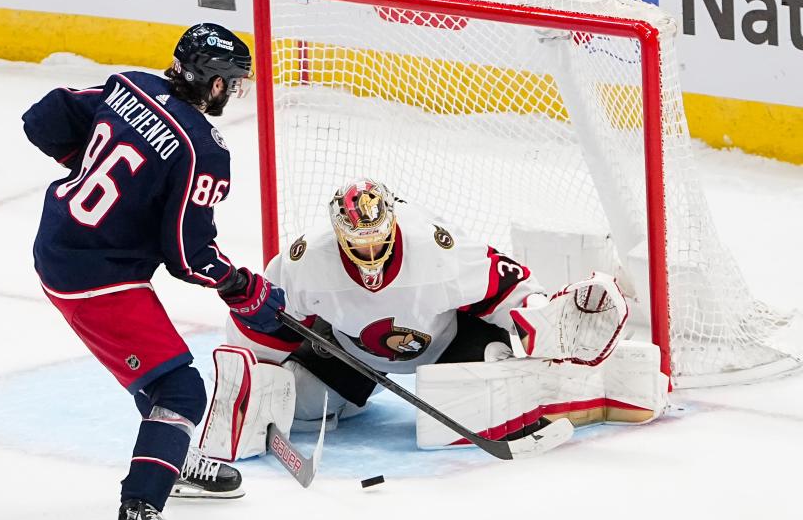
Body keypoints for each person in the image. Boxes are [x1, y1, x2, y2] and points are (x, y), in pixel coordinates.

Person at [22, 23, 285, 520]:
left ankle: (173, 462)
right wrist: (243, 289)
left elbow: (42, 117)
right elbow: (189, 256)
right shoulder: (205, 149)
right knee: (180, 388)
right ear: (212, 82)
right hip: (96, 276)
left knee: (157, 371)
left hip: (60, 244)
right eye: (232, 83)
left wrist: (89, 170)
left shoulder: (129, 86)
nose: (232, 94)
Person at [199, 178, 659, 462]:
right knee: (302, 409)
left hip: (447, 348)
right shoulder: (306, 261)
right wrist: (252, 379)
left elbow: (504, 281)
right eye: (356, 245)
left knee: (471, 412)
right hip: (353, 352)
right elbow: (264, 318)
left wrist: (539, 316)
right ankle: (355, 396)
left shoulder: (435, 250)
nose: (369, 255)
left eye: (376, 241)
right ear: (339, 235)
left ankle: (556, 394)